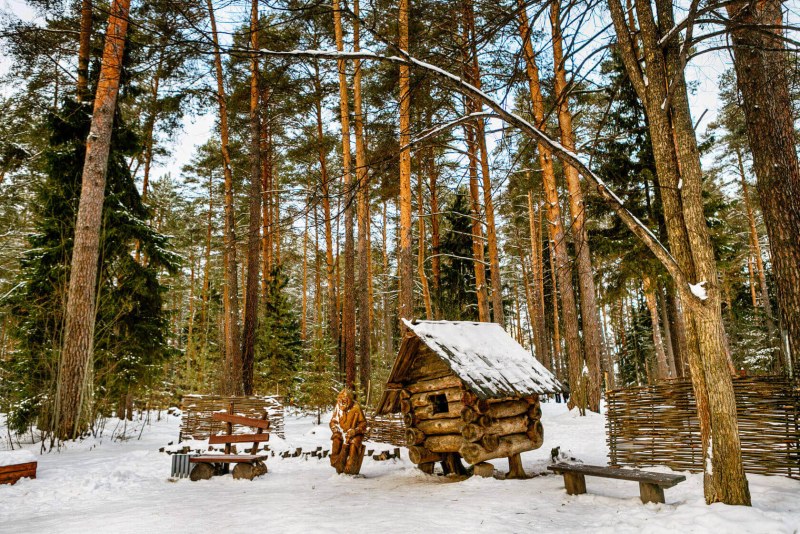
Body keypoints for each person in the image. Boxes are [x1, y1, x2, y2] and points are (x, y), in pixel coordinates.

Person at [329, 388, 367, 474]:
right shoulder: (338, 407)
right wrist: (335, 429)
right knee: (336, 437)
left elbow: (363, 424)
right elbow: (333, 421)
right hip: (343, 433)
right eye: (341, 399)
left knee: (354, 442)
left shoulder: (356, 408)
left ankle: (351, 464)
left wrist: (355, 431)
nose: (342, 402)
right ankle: (335, 460)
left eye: (345, 400)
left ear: (349, 399)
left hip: (354, 434)